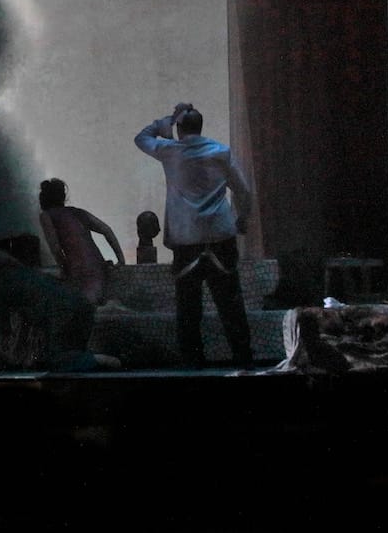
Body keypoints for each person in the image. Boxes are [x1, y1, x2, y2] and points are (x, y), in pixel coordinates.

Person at [135, 102, 254, 369]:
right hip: (220, 239)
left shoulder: (169, 151)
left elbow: (141, 138)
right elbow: (243, 192)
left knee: (188, 310)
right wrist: (242, 218)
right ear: (201, 126)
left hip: (187, 243)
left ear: (179, 129)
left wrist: (167, 119)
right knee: (231, 307)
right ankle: (245, 363)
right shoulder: (221, 152)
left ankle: (193, 368)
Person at [0, 234, 102, 372]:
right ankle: (97, 362)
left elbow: (0, 331)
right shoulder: (28, 277)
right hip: (82, 309)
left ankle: (107, 361)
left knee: (57, 361)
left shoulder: (3, 287)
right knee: (70, 360)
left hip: (65, 315)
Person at [36, 178, 126, 304]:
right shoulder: (77, 212)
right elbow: (107, 230)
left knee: (83, 306)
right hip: (99, 267)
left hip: (79, 271)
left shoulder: (46, 216)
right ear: (63, 197)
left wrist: (64, 269)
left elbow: (55, 248)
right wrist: (121, 259)